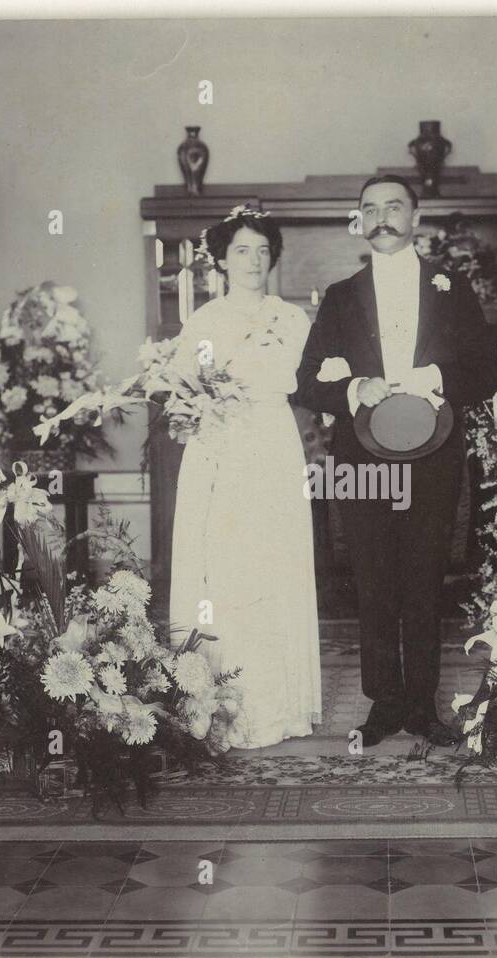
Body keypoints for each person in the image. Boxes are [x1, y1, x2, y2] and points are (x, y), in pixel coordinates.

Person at [296, 175, 497, 747]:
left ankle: (423, 706)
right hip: (362, 462)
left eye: (394, 207)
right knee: (374, 582)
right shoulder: (340, 296)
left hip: (433, 458)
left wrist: (435, 377)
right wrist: (354, 387)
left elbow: (487, 372)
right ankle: (383, 704)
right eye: (369, 208)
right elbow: (306, 381)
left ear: (416, 216)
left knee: (423, 580)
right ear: (358, 220)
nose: (381, 217)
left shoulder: (450, 288)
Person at [168, 207, 322, 749]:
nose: (253, 261)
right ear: (222, 260)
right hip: (220, 446)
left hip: (275, 445)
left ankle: (277, 706)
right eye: (241, 251)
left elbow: (312, 384)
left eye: (262, 251)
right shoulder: (206, 322)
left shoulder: (294, 319)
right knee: (225, 565)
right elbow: (184, 389)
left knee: (272, 561)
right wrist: (196, 411)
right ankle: (219, 706)